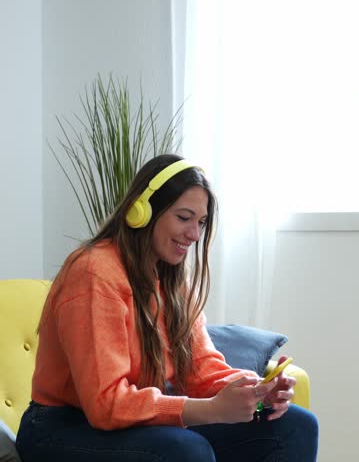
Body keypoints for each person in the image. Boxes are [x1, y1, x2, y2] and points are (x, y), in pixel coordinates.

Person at [16, 154, 318, 461]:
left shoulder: (170, 276)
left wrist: (254, 391)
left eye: (200, 222)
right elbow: (105, 405)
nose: (194, 234)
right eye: (184, 218)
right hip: (58, 427)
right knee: (186, 450)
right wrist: (210, 409)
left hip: (130, 420)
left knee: (296, 426)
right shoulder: (94, 272)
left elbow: (201, 370)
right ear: (142, 212)